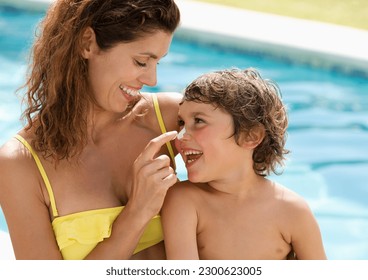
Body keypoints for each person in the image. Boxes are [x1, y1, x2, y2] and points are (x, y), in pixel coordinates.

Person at [0, 0, 182, 260]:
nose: (152, 80)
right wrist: (138, 212)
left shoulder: (171, 119)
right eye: (142, 62)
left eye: (157, 63)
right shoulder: (21, 164)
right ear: (88, 43)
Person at [162, 68, 327, 260]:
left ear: (251, 136)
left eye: (199, 121)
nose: (180, 135)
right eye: (181, 122)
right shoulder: (183, 200)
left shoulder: (293, 211)